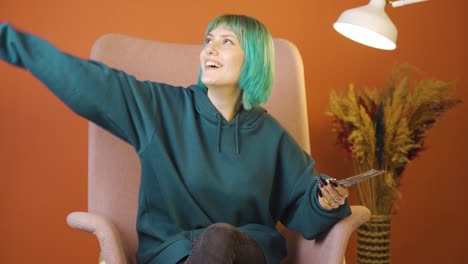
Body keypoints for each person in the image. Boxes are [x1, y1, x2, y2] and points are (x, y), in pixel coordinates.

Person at [0, 14, 351, 264]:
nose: (210, 49)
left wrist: (326, 202)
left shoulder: (272, 136)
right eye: (208, 40)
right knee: (213, 241)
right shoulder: (160, 109)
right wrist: (11, 43)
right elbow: (89, 82)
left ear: (254, 60)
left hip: (245, 253)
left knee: (221, 236)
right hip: (174, 255)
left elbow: (305, 211)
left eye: (226, 41)